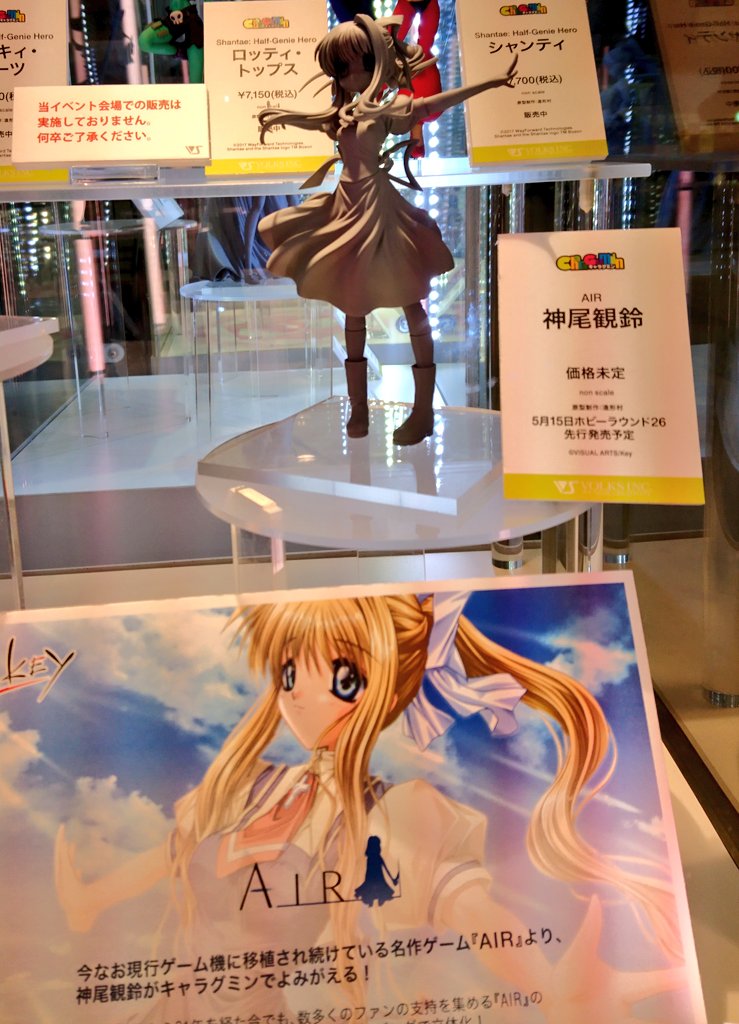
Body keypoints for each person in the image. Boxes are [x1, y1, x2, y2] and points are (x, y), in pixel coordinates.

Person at [55, 591, 686, 1022]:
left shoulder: (387, 816)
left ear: (384, 688)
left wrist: (548, 988)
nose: (299, 697)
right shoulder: (254, 785)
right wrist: (91, 901)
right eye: (288, 673)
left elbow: (468, 908)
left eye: (342, 679)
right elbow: (175, 854)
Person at [257, 16, 517, 445]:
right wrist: (282, 116)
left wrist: (488, 84)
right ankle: (358, 407)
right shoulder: (342, 113)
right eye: (340, 68)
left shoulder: (389, 109)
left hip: (379, 209)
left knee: (411, 300)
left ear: (375, 61)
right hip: (345, 206)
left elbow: (435, 104)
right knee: (351, 300)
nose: (349, 76)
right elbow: (316, 120)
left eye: (356, 64)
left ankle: (423, 411)